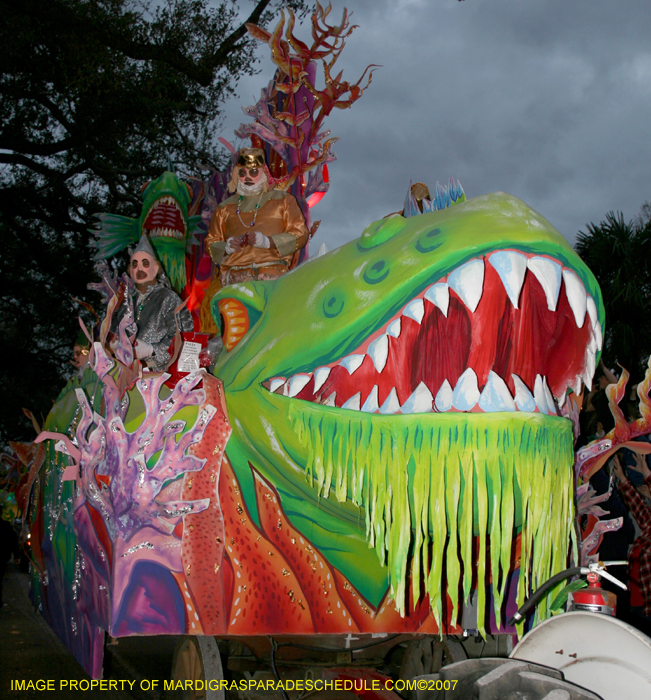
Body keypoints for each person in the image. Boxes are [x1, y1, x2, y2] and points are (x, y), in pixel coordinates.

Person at [205, 148, 309, 287]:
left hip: (272, 279)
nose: (248, 177)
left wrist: (268, 242)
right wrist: (227, 247)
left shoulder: (283, 200)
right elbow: (211, 242)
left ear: (263, 172)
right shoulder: (224, 208)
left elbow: (300, 233)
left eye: (253, 172)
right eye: (243, 173)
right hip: (233, 282)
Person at [114, 234, 194, 371]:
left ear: (155, 268)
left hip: (161, 379)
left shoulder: (167, 298)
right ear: (130, 271)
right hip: (127, 377)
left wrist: (151, 351)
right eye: (135, 264)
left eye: (145, 263)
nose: (139, 269)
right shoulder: (125, 305)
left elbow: (184, 339)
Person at [612, 453, 651, 630]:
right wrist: (621, 477)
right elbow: (640, 510)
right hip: (638, 606)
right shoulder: (647, 533)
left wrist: (648, 476)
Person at [0, 506, 20, 607]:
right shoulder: (6, 525)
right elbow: (13, 540)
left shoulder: (6, 525)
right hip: (3, 556)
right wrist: (16, 555)